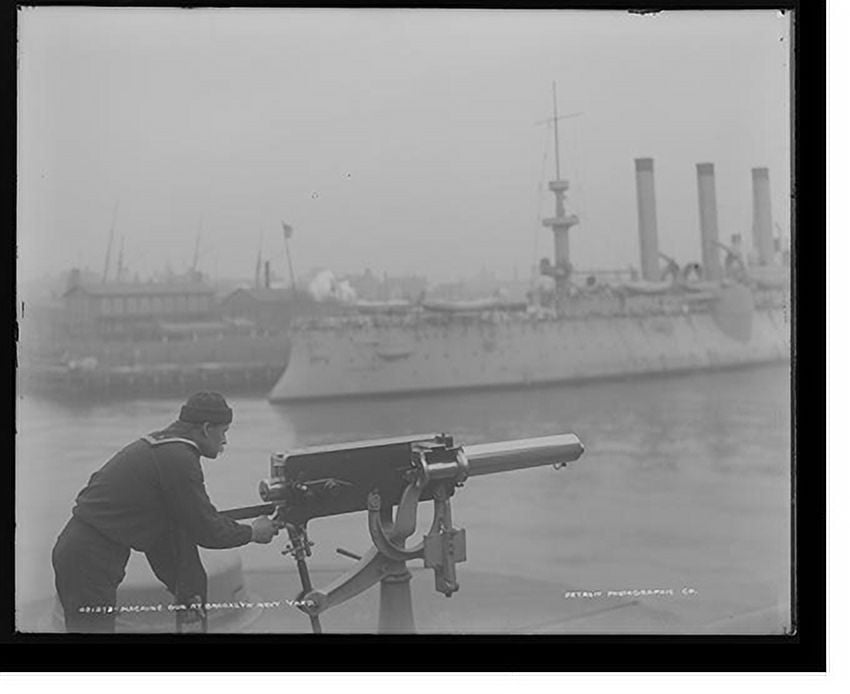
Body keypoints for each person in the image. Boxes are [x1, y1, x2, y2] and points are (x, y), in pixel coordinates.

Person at [51, 392, 280, 633]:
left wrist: (185, 589)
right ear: (205, 428)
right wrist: (253, 532)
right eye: (223, 431)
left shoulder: (161, 447)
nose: (225, 441)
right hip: (89, 561)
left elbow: (167, 533)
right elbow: (206, 530)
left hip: (84, 553)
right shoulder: (179, 459)